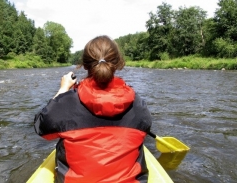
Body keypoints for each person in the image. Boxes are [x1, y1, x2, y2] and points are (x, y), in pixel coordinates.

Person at [34, 35, 152, 183]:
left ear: (84, 65)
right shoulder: (138, 104)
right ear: (119, 63)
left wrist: (63, 89)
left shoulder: (66, 102)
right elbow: (146, 126)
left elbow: (41, 127)